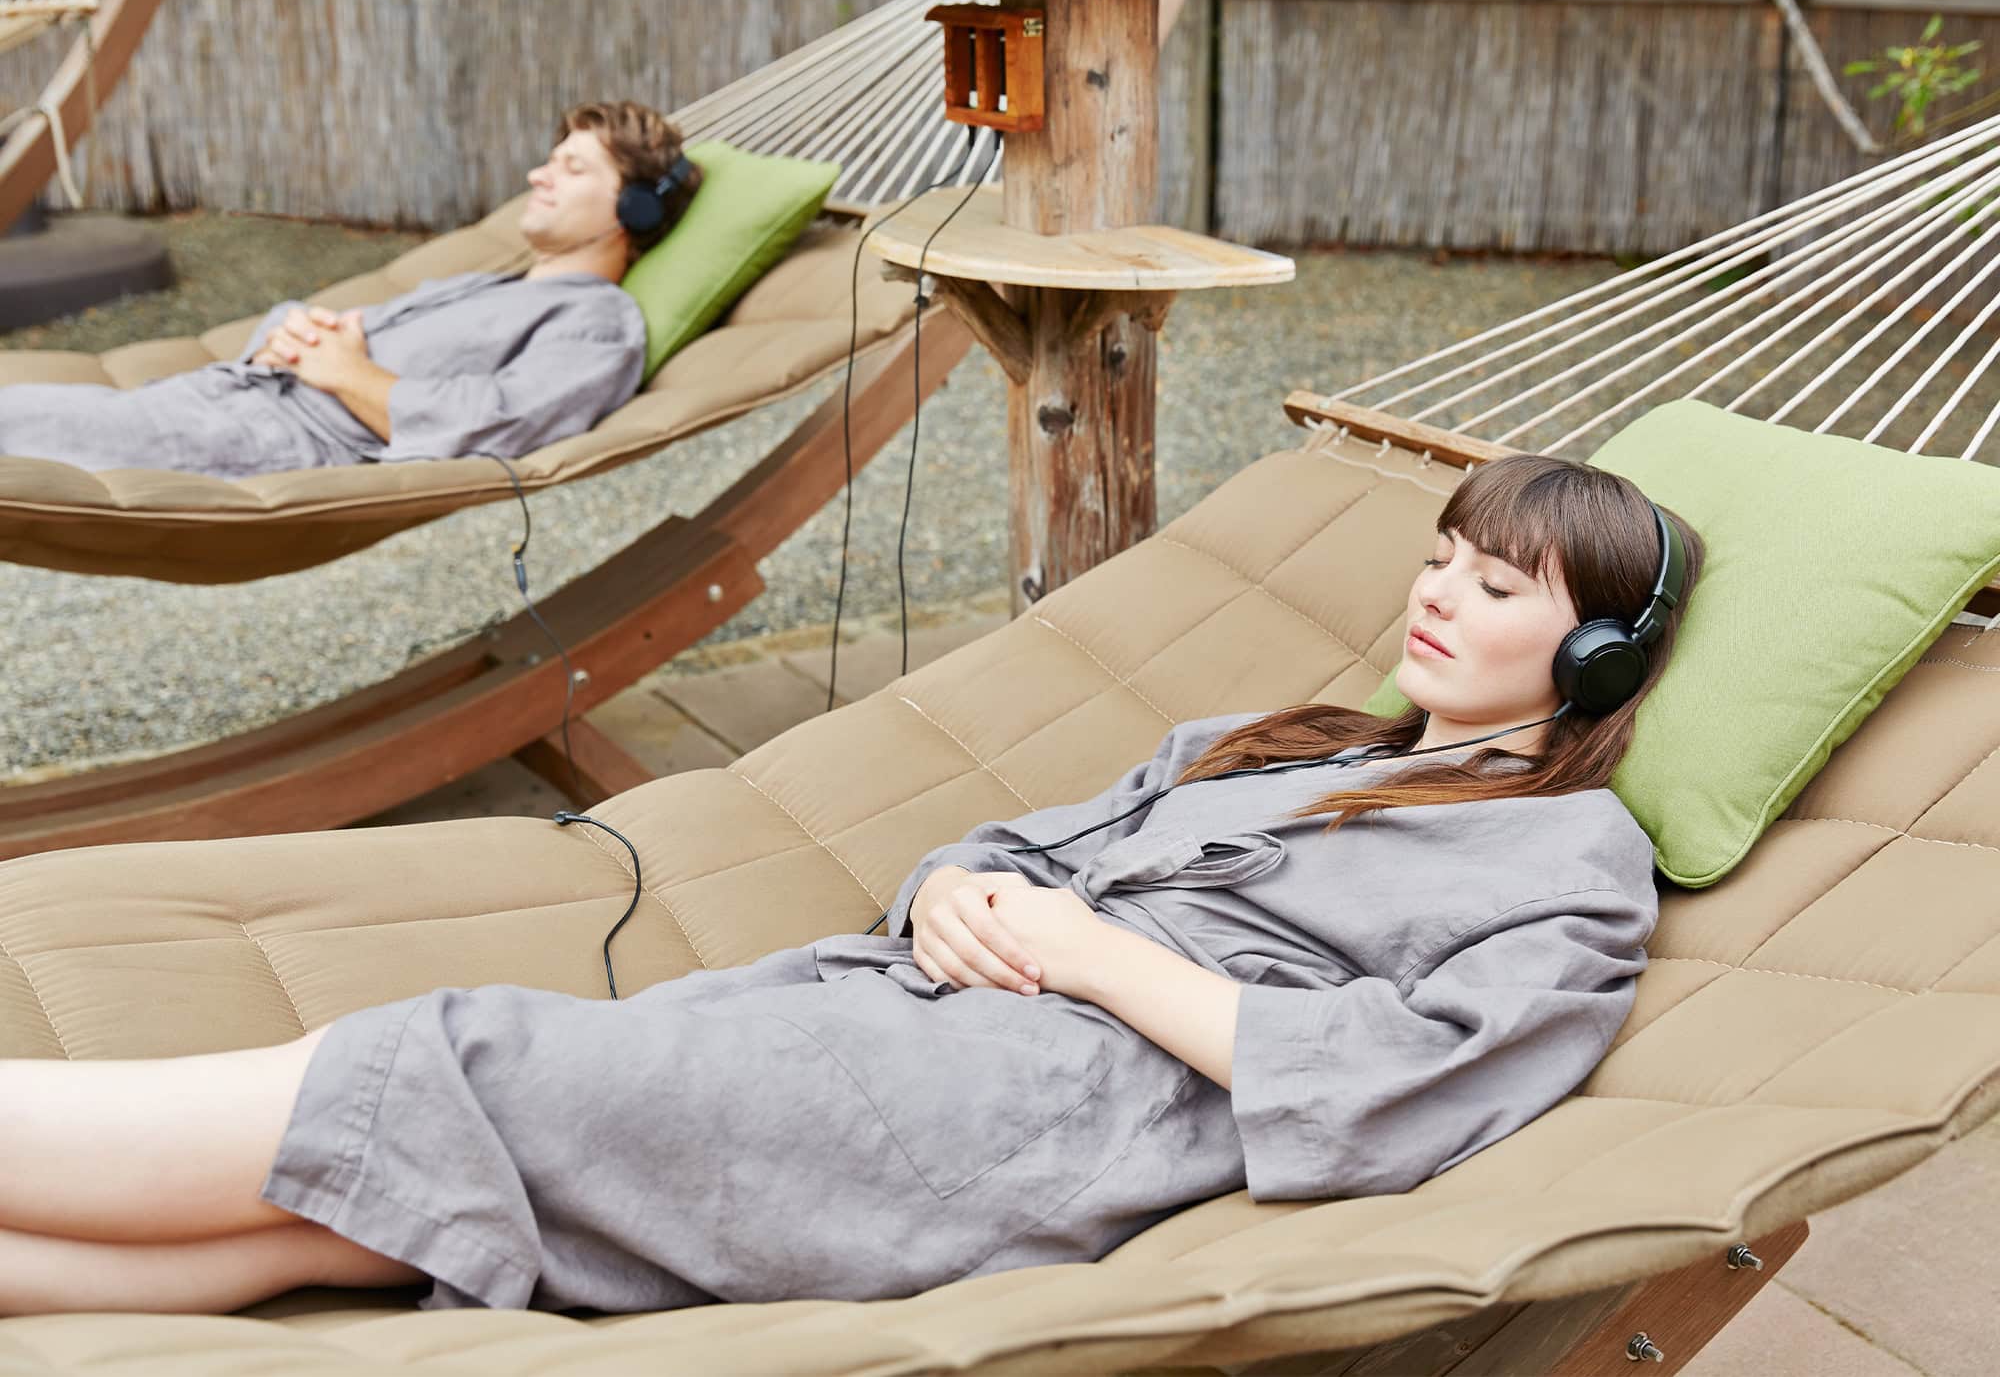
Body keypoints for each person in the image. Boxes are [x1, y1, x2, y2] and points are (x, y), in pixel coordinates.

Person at [0, 454, 1704, 1318]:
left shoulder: (1572, 863)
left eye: (1494, 586)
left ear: (1602, 653)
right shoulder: (1276, 737)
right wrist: (958, 890)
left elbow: (1400, 1086)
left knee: (475, 1059)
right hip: (921, 1012)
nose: (1436, 599)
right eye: (1436, 561)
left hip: (1047, 1110)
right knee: (366, 1199)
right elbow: (1024, 851)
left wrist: (1090, 959)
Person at [0, 100, 699, 479]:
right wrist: (294, 331)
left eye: (572, 168)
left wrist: (346, 369)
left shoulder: (599, 323)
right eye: (550, 161)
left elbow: (501, 423)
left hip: (265, 438)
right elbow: (346, 338)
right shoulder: (493, 283)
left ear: (633, 209)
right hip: (221, 396)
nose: (538, 176)